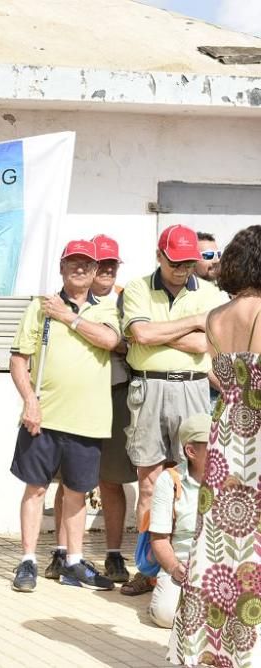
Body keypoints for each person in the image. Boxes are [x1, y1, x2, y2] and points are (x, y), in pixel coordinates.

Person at [168, 224, 261, 666]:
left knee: (219, 546)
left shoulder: (214, 318)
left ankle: (209, 648)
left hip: (226, 439)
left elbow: (221, 379)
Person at [9, 240, 121, 593]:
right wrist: (30, 400)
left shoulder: (106, 308)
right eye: (73, 262)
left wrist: (69, 318)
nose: (81, 268)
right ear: (61, 267)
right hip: (43, 416)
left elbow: (109, 341)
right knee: (36, 489)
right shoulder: (39, 307)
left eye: (87, 264)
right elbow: (18, 360)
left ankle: (74, 561)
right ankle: (28, 560)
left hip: (88, 419)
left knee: (77, 493)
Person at [122, 224, 225, 595]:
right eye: (175, 263)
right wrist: (191, 325)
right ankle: (149, 570)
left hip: (194, 388)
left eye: (188, 263)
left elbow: (205, 343)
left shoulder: (211, 292)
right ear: (159, 256)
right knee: (148, 484)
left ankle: (198, 564)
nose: (182, 270)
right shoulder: (136, 287)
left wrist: (163, 331)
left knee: (199, 479)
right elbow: (141, 335)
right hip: (149, 385)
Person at [47, 235, 137, 584]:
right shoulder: (66, 301)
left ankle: (113, 554)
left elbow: (126, 341)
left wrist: (115, 340)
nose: (109, 270)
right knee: (67, 482)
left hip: (115, 393)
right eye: (104, 263)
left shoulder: (125, 301)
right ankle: (62, 553)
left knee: (110, 479)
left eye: (114, 263)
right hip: (73, 398)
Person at [146, 413, 209, 629]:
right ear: (191, 451)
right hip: (184, 566)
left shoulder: (234, 476)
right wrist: (174, 568)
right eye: (214, 444)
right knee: (165, 615)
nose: (222, 449)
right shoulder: (169, 480)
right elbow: (159, 539)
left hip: (224, 567)